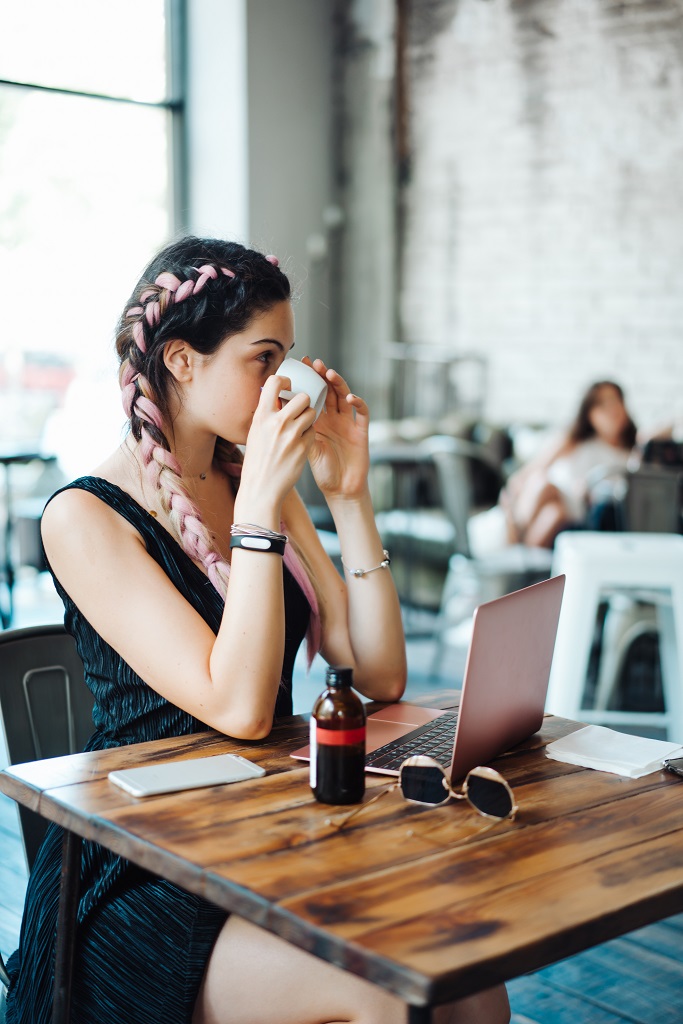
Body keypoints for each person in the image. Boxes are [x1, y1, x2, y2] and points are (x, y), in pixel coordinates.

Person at [5, 236, 510, 1024]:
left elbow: (376, 675)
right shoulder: (84, 516)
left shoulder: (255, 481)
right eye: (263, 357)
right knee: (381, 994)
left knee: (471, 983)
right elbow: (238, 707)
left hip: (265, 831)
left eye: (291, 357)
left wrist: (347, 495)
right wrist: (257, 516)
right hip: (145, 872)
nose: (288, 384)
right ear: (180, 361)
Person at [500, 381, 637, 548]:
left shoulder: (633, 450)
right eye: (602, 404)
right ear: (590, 413)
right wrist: (513, 494)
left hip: (579, 509)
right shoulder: (574, 440)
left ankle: (516, 549)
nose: (611, 410)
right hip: (550, 496)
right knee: (546, 494)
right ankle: (515, 538)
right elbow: (533, 469)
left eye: (615, 401)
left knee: (555, 514)